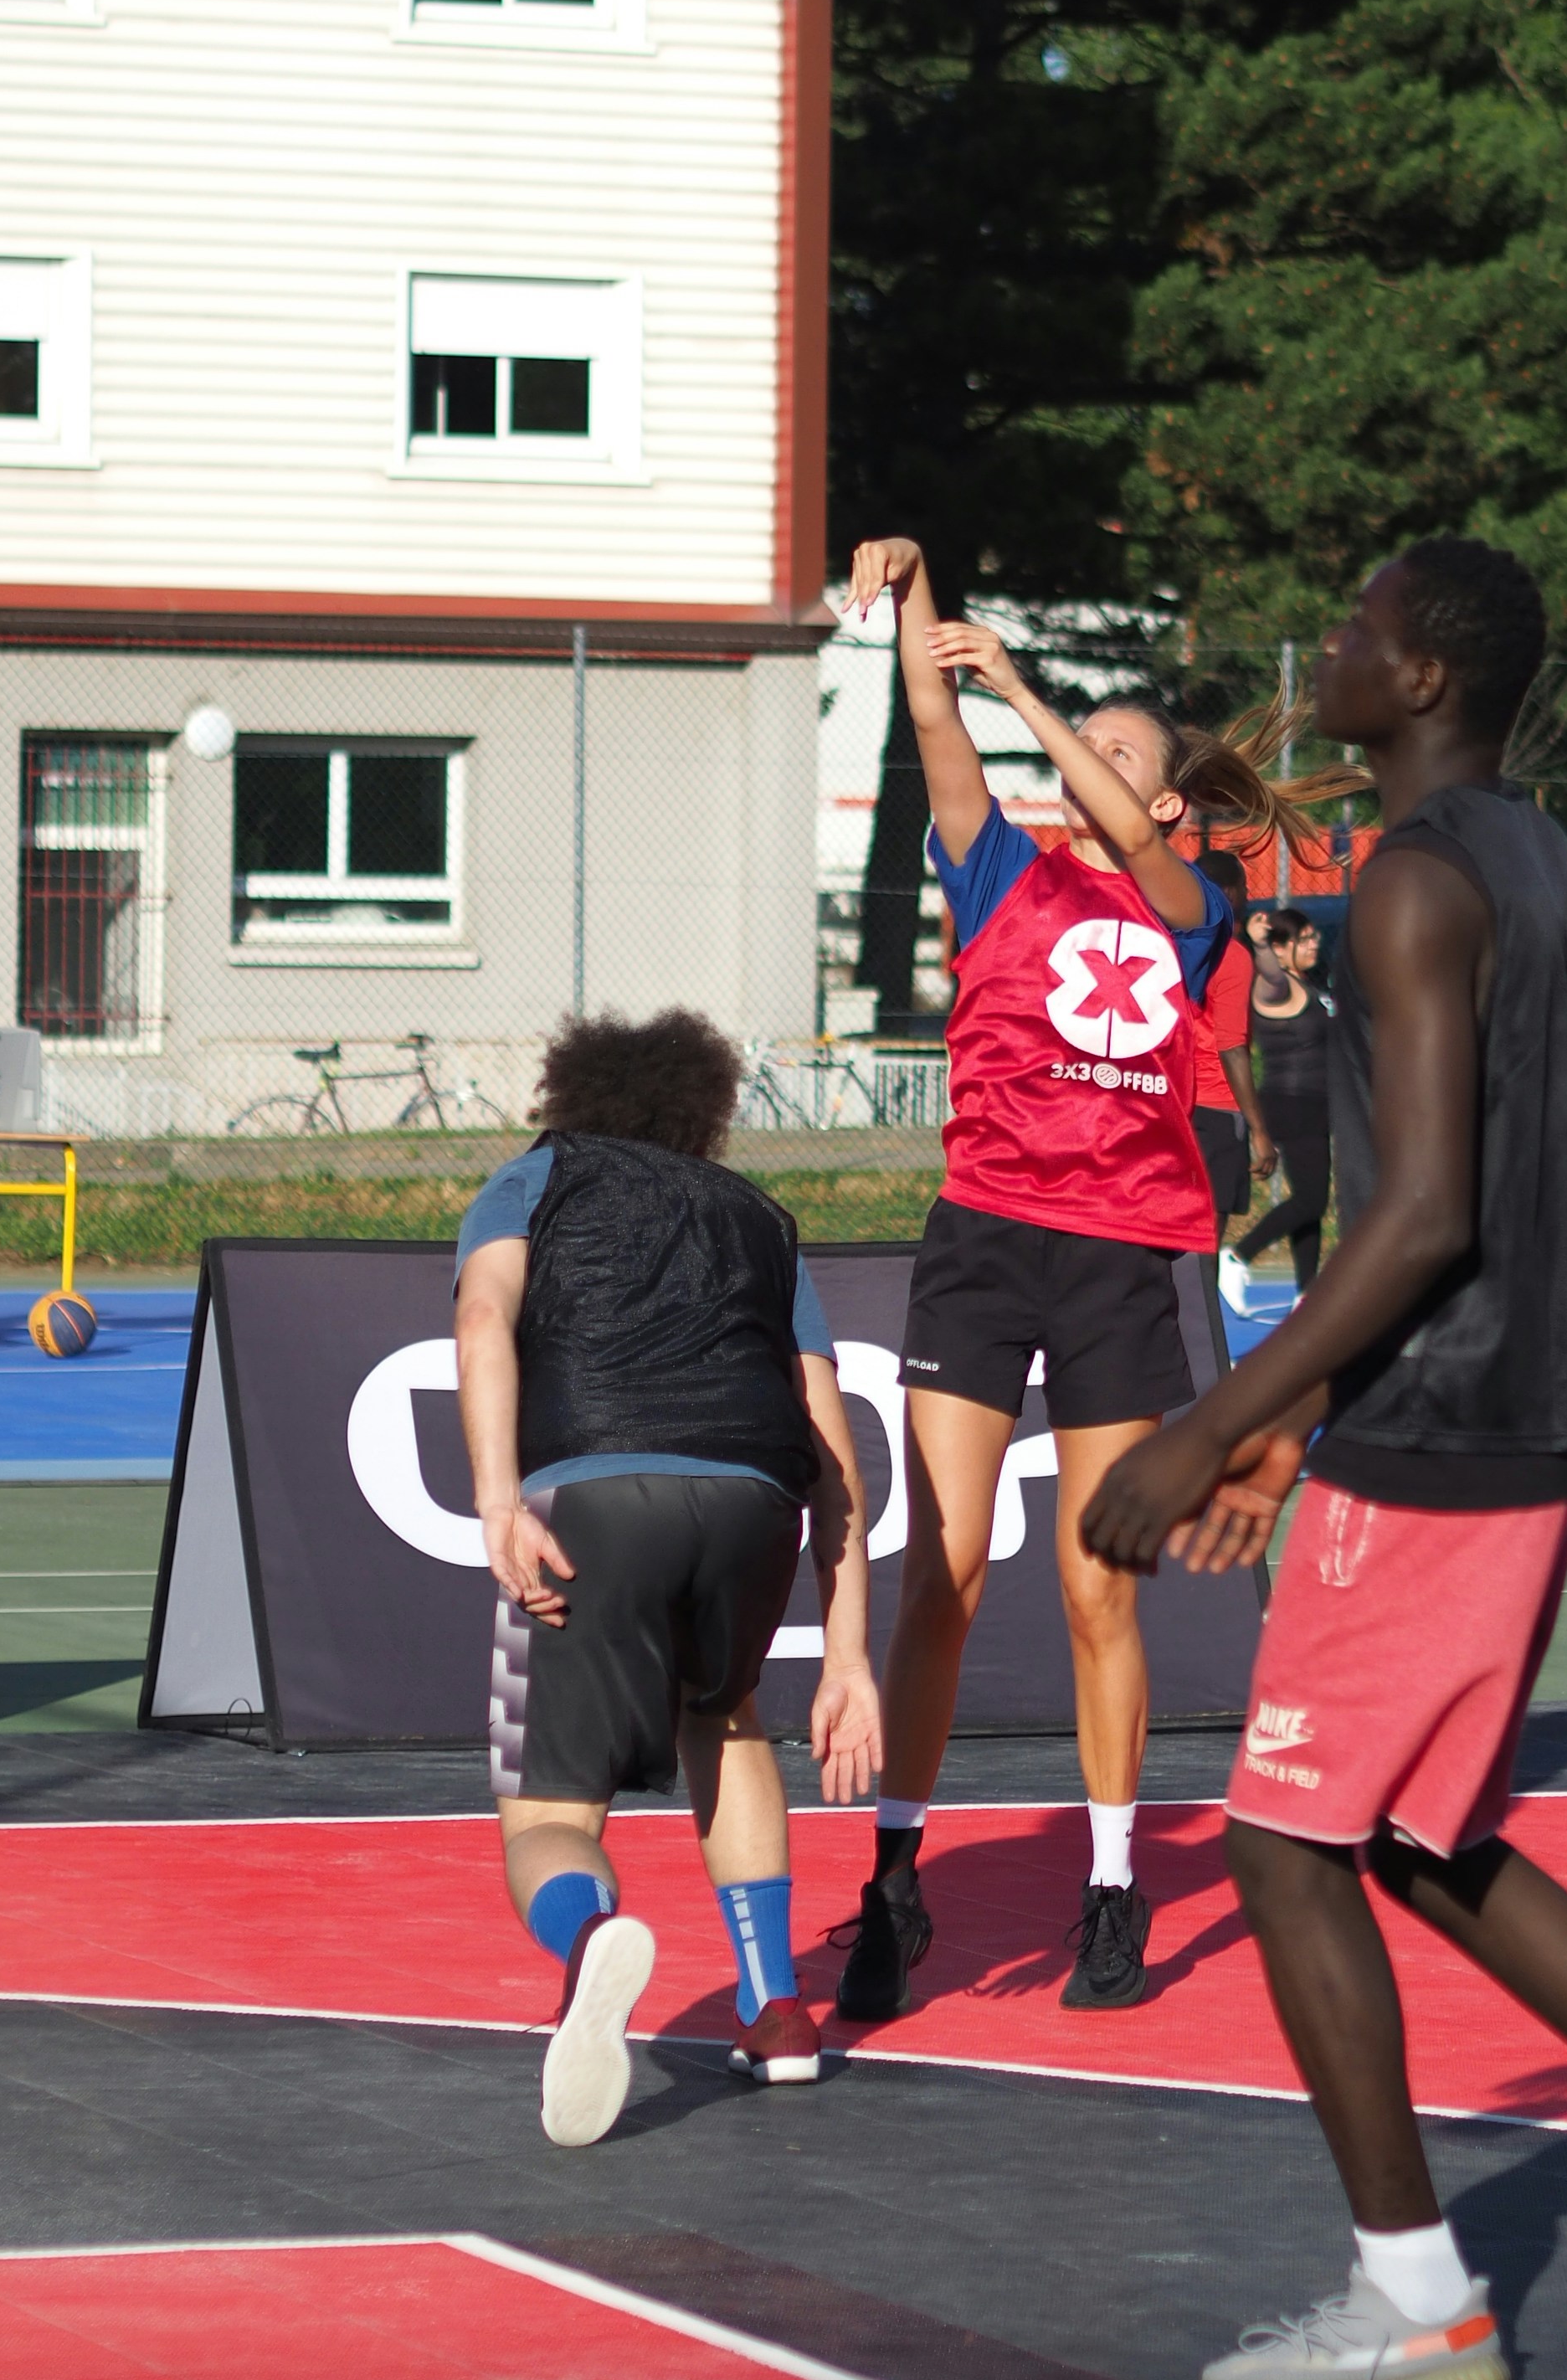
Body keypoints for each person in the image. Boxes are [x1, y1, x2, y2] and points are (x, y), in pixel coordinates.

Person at [1083, 539, 1567, 2380]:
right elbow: (1482, 1191)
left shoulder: (1416, 880)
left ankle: (1417, 2298)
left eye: (1360, 625)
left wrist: (1208, 1418)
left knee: (1282, 1842)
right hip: (1521, 1404)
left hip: (1446, 1419)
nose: (1333, 643)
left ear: (1424, 676)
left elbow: (1424, 1211)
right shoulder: (1529, 860)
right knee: (1422, 1839)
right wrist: (1300, 1425)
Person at [832, 537, 1321, 2023]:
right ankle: (895, 1878)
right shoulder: (997, 869)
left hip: (1117, 1255)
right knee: (947, 1574)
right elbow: (934, 717)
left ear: (1163, 802)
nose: (1087, 765)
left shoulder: (1188, 904)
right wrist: (914, 591)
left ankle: (1111, 1886)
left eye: (1121, 755)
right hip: (984, 1240)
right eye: (1082, 746)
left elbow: (1102, 801)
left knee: (1097, 1584)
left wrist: (1034, 695)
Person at [452, 1005, 881, 2139]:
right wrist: (848, 1657)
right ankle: (776, 2009)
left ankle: (592, 1938)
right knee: (725, 1716)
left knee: (548, 1816)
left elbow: (484, 1320)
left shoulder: (533, 1181)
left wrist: (498, 1503)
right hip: (754, 1498)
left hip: (595, 1490)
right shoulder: (758, 1218)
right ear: (707, 1113)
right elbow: (832, 1441)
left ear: (569, 1095)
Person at [1235, 909, 1334, 1291]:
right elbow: (1271, 975)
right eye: (1303, 940)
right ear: (1280, 948)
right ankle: (1239, 1255)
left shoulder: (1312, 984)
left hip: (1315, 1105)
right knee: (1311, 1201)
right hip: (1291, 1104)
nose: (1313, 945)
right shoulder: (1276, 986)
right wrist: (1260, 946)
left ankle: (1306, 1292)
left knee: (1312, 1200)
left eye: (1313, 937)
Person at [1190, 850, 1271, 1318]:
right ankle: (1201, 1335)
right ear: (1229, 893)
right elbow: (1232, 1046)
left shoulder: (1179, 946)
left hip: (1178, 1102)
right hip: (1218, 1108)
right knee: (1207, 1236)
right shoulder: (1232, 955)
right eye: (1243, 885)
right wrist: (1259, 1129)